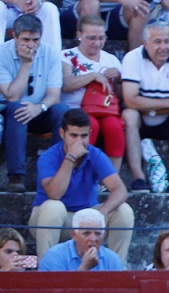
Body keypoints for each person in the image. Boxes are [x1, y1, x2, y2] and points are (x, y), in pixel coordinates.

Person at [28, 108, 134, 262]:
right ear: (62, 134)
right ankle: (46, 269)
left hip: (86, 218)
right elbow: (55, 194)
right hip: (53, 219)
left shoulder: (95, 154)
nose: (79, 141)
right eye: (73, 135)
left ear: (90, 134)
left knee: (123, 210)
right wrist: (70, 157)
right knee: (53, 207)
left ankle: (117, 268)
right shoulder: (48, 157)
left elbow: (120, 190)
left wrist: (103, 211)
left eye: (84, 136)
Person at [122, 20, 169, 194]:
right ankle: (138, 178)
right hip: (141, 120)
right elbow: (130, 101)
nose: (163, 47)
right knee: (129, 115)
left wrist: (148, 105)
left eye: (167, 41)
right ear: (146, 43)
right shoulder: (132, 58)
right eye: (157, 41)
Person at [2, 14, 67, 193]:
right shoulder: (2, 53)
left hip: (40, 110)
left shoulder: (51, 53)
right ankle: (16, 176)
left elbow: (54, 94)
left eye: (35, 40)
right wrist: (26, 64)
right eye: (25, 40)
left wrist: (39, 107)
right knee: (17, 107)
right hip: (14, 111)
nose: (31, 45)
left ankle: (54, 173)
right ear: (14, 36)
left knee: (62, 111)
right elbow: (12, 96)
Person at [61, 14, 124, 171]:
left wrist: (119, 79)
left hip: (106, 109)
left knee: (114, 127)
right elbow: (65, 85)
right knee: (90, 125)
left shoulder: (111, 59)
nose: (97, 43)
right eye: (91, 38)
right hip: (76, 109)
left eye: (101, 38)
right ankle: (79, 172)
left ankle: (111, 177)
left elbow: (122, 97)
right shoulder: (67, 56)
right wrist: (92, 76)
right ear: (79, 35)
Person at [39, 208, 124, 271]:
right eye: (86, 233)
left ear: (104, 235)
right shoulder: (55, 256)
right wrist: (84, 267)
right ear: (74, 235)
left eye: (98, 234)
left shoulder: (112, 259)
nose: (93, 239)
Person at [59, 0, 148, 51]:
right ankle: (84, 61)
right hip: (77, 11)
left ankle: (133, 69)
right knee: (91, 4)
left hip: (115, 12)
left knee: (140, 10)